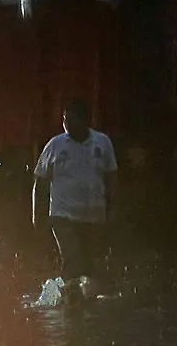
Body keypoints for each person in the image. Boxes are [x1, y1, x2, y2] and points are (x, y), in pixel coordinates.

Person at [32, 98, 118, 305]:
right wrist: (37, 215)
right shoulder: (56, 145)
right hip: (63, 216)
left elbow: (111, 179)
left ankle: (83, 306)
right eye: (64, 119)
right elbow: (40, 181)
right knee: (73, 261)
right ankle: (68, 310)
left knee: (88, 265)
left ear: (86, 120)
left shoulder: (102, 143)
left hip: (93, 217)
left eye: (72, 119)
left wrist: (112, 210)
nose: (67, 124)